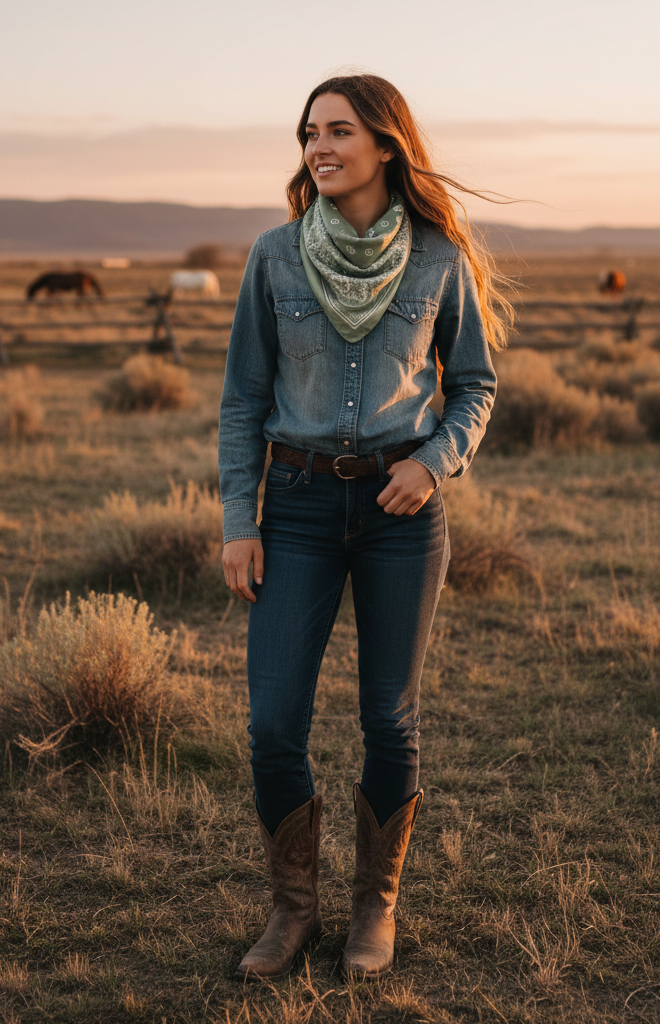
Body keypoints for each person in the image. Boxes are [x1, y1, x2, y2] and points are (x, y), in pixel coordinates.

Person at [218, 73, 510, 981]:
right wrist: (240, 519)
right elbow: (243, 403)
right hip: (298, 508)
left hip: (400, 512)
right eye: (310, 132)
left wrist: (433, 462)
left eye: (340, 130)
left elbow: (474, 386)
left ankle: (372, 910)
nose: (319, 147)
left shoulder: (436, 260)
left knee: (389, 717)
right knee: (274, 724)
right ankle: (291, 910)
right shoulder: (273, 256)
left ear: (388, 144)